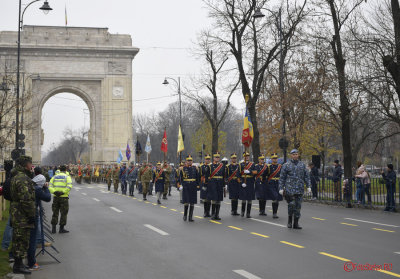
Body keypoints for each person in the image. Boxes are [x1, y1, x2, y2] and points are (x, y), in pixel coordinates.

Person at [10, 155, 36, 274]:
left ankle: (19, 264)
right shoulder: (22, 178)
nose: (32, 166)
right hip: (22, 214)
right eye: (30, 163)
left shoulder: (18, 176)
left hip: (18, 213)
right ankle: (18, 265)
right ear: (25, 164)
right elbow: (26, 199)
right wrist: (31, 215)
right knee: (21, 239)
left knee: (19, 239)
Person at [279, 149, 311, 229]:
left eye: (296, 154)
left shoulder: (302, 165)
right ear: (291, 155)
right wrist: (281, 188)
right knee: (291, 205)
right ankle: (290, 221)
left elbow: (306, 176)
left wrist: (308, 186)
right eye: (293, 154)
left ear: (298, 155)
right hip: (290, 189)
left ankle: (296, 223)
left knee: (298, 206)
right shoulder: (286, 165)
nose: (295, 155)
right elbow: (282, 177)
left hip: (299, 189)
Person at [28, 167, 51, 271]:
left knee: (21, 238)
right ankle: (32, 263)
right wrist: (46, 188)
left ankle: (14, 257)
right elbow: (47, 198)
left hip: (20, 214)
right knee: (31, 240)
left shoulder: (27, 185)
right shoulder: (37, 189)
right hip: (32, 214)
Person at [49, 165, 72, 234]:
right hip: (64, 197)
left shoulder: (54, 177)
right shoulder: (67, 177)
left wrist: (54, 192)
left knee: (55, 212)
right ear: (66, 170)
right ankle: (61, 229)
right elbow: (69, 186)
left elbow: (50, 186)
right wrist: (62, 192)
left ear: (59, 169)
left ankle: (53, 229)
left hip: (56, 197)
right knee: (64, 213)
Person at [178, 155, 200, 222]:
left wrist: (198, 185)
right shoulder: (183, 169)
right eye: (188, 161)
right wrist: (181, 185)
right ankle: (185, 215)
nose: (189, 162)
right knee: (186, 202)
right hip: (186, 186)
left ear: (192, 161)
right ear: (186, 161)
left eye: (190, 161)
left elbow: (197, 177)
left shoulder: (195, 168)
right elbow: (180, 178)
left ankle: (190, 217)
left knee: (192, 202)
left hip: (193, 186)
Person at [207, 152, 226, 220]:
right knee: (214, 199)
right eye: (216, 157)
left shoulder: (222, 166)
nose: (217, 158)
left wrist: (224, 185)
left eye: (218, 157)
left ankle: (217, 215)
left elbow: (224, 176)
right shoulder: (210, 166)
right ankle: (213, 214)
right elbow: (207, 176)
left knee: (219, 200)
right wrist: (209, 185)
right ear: (213, 158)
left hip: (220, 183)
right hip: (213, 184)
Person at [239, 152, 256, 218]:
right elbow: (238, 174)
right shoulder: (241, 164)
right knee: (244, 198)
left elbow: (255, 172)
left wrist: (250, 172)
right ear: (244, 157)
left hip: (250, 182)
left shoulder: (252, 164)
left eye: (248, 156)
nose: (247, 157)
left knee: (250, 198)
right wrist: (241, 182)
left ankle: (248, 213)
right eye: (246, 156)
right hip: (244, 182)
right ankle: (242, 212)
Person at [265, 153, 283, 219]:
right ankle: (274, 213)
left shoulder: (280, 166)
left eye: (276, 158)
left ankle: (275, 212)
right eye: (274, 158)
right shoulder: (269, 166)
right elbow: (265, 175)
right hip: (271, 183)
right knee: (274, 197)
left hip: (278, 182)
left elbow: (283, 175)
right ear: (271, 159)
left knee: (277, 198)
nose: (275, 159)